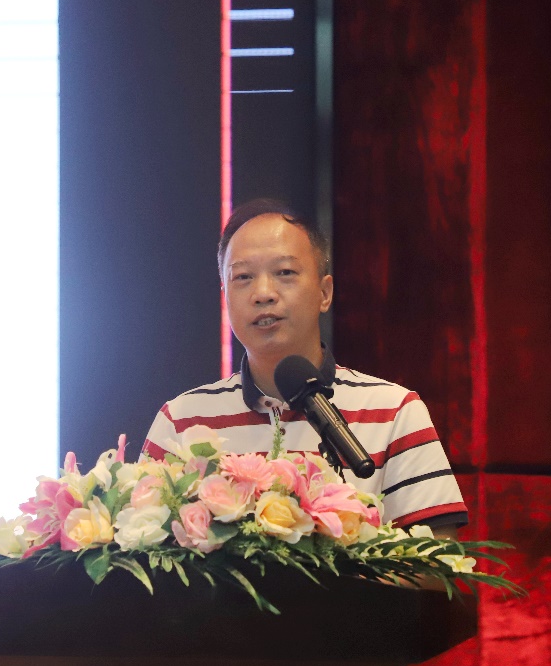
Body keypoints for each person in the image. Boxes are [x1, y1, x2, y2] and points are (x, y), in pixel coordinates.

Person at [141, 199, 467, 536]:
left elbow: (437, 559)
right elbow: (139, 555)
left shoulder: (394, 413)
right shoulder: (180, 422)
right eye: (243, 277)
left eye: (284, 273)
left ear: (325, 292)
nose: (263, 293)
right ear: (225, 298)